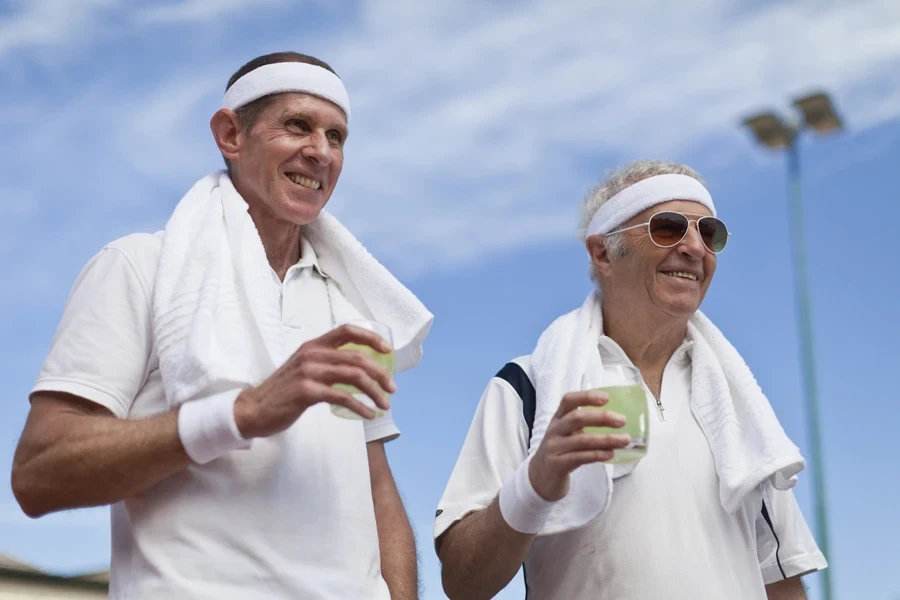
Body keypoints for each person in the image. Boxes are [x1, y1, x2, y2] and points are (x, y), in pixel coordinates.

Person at [11, 51, 432, 600]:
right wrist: (241, 413)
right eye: (298, 125)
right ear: (230, 134)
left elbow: (375, 487)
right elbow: (39, 474)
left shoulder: (351, 308)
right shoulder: (140, 267)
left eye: (337, 136)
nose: (321, 152)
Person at [434, 160, 827, 599]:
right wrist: (537, 479)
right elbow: (463, 582)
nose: (695, 248)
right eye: (669, 228)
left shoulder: (738, 408)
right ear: (603, 253)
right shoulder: (529, 387)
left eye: (709, 232)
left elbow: (781, 582)